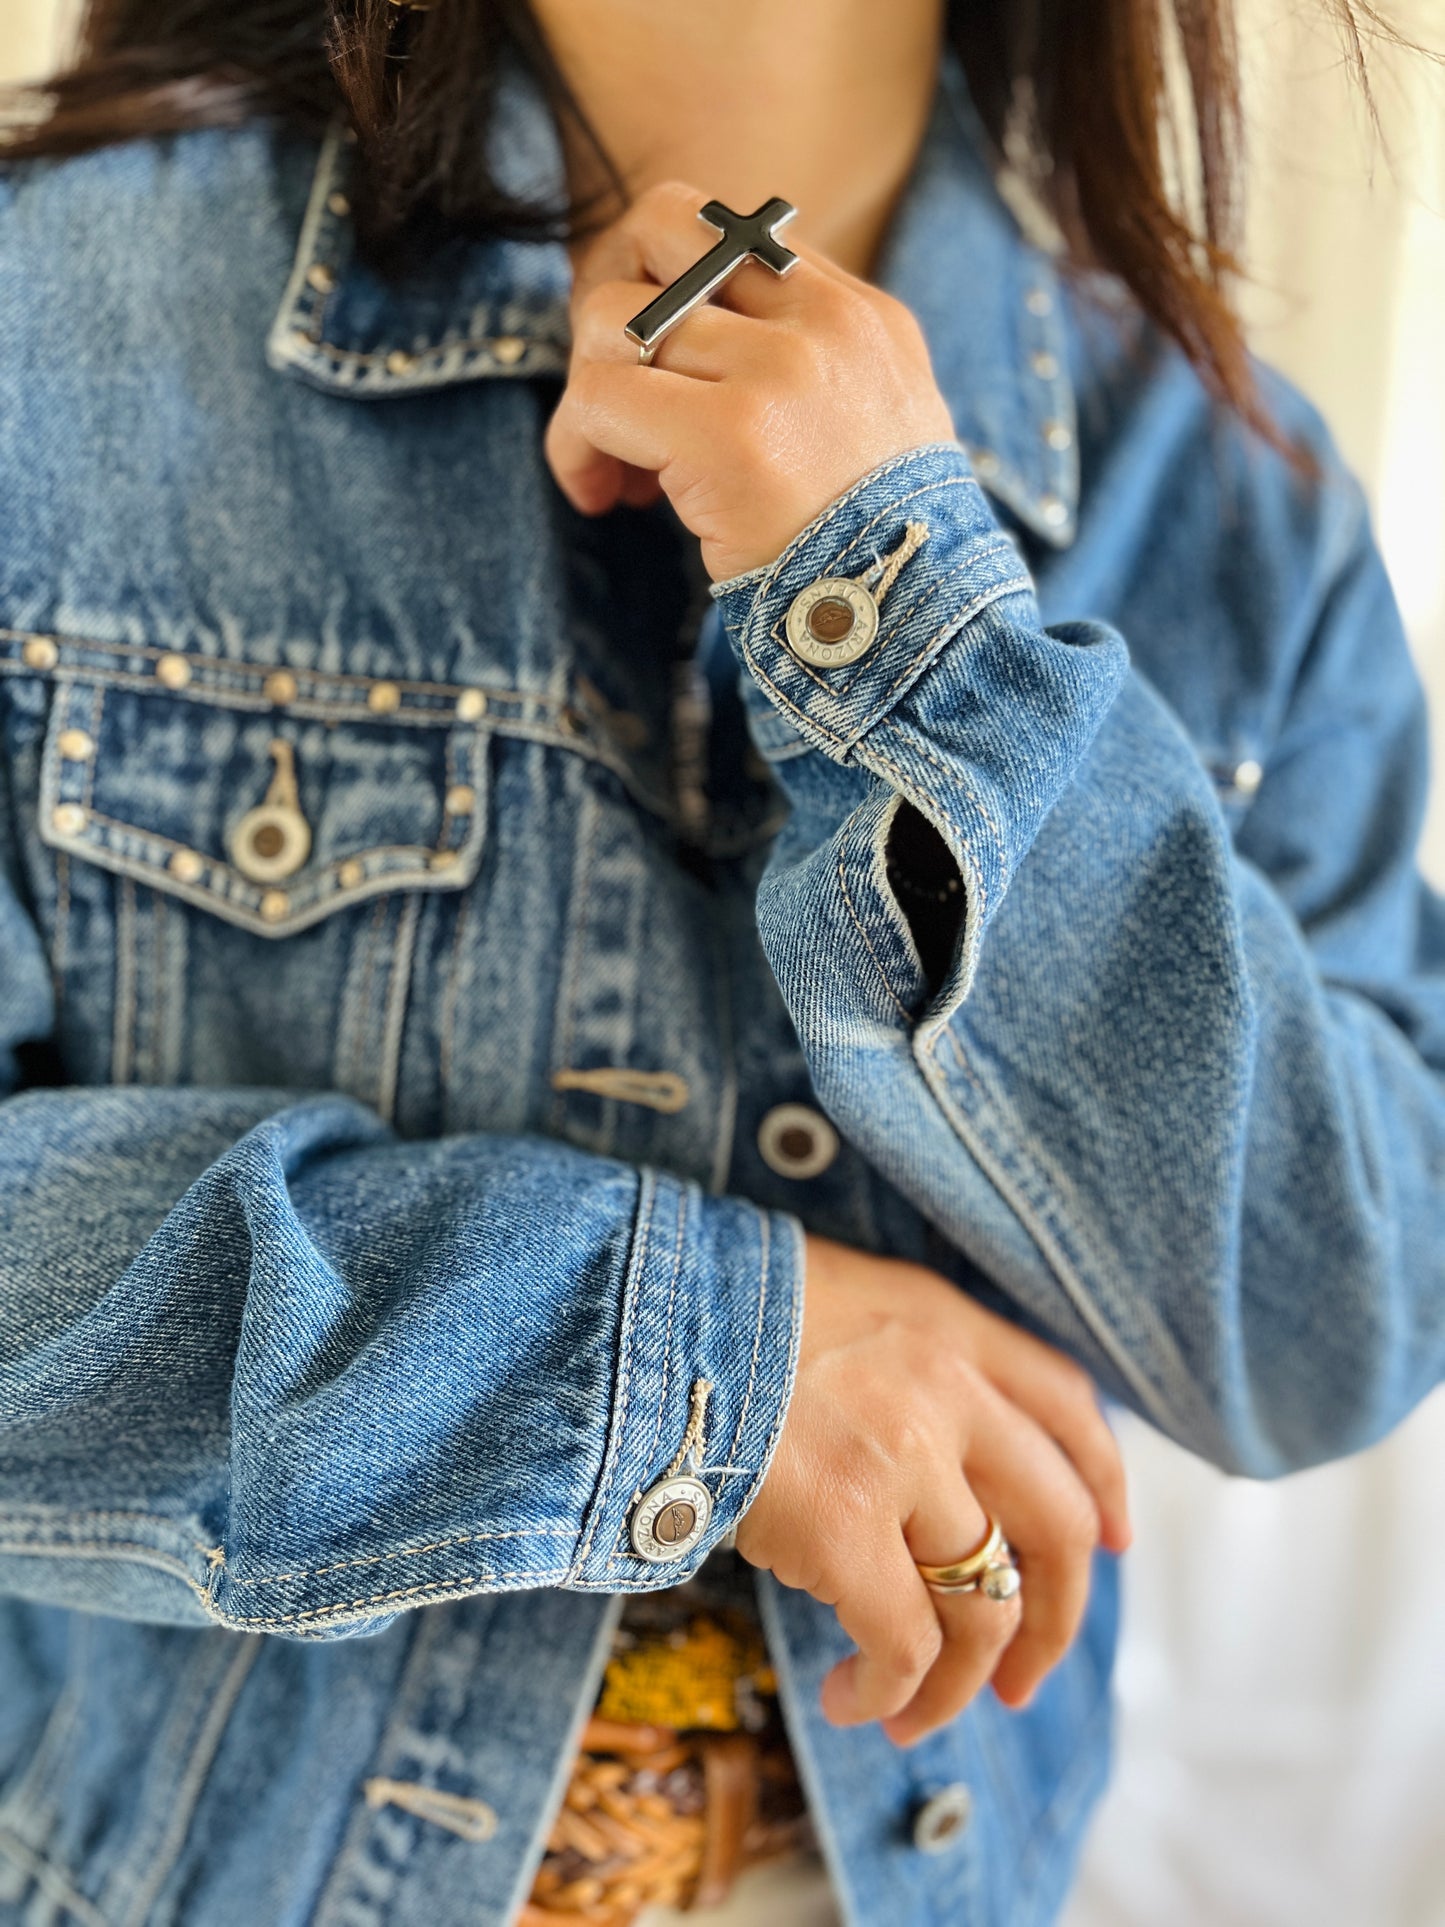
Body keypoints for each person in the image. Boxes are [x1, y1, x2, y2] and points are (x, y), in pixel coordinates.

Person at [0, 2, 1441, 1924]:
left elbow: (1322, 1334)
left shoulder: (1242, 505)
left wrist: (897, 600)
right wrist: (696, 1368)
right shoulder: (47, 334)